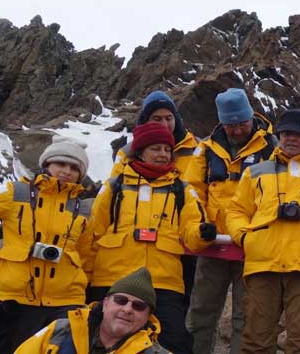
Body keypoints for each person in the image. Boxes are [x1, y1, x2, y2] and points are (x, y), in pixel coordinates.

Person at [226, 109, 300, 354]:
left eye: (298, 134)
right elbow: (236, 211)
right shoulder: (256, 171)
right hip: (263, 265)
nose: (291, 138)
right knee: (255, 341)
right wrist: (245, 238)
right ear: (278, 135)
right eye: (286, 133)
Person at [89, 123, 210, 354]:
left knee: (174, 343)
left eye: (167, 150)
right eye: (156, 148)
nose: (163, 154)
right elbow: (92, 234)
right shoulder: (114, 187)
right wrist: (85, 279)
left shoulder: (182, 190)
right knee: (100, 342)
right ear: (140, 151)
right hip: (112, 279)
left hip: (163, 283)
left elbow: (191, 233)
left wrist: (202, 234)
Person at [0, 136, 94, 354]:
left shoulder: (84, 210)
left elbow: (87, 256)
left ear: (81, 173)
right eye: (60, 163)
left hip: (66, 302)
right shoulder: (15, 193)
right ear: (47, 165)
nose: (67, 170)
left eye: (74, 167)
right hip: (14, 298)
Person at [182, 88, 277, 354]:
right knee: (201, 312)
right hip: (212, 244)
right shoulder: (206, 149)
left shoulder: (271, 147)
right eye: (231, 125)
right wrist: (201, 226)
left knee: (245, 317)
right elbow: (192, 191)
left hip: (251, 246)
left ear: (250, 117)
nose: (236, 130)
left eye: (241, 123)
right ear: (222, 122)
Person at [111, 90, 202, 307]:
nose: (164, 124)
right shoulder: (128, 152)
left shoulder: (197, 148)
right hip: (139, 237)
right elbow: (117, 191)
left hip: (186, 235)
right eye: (157, 119)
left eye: (168, 118)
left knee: (183, 299)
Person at [15, 267, 169, 354]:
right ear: (105, 303)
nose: (128, 309)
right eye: (121, 301)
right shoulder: (60, 330)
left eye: (138, 306)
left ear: (148, 317)